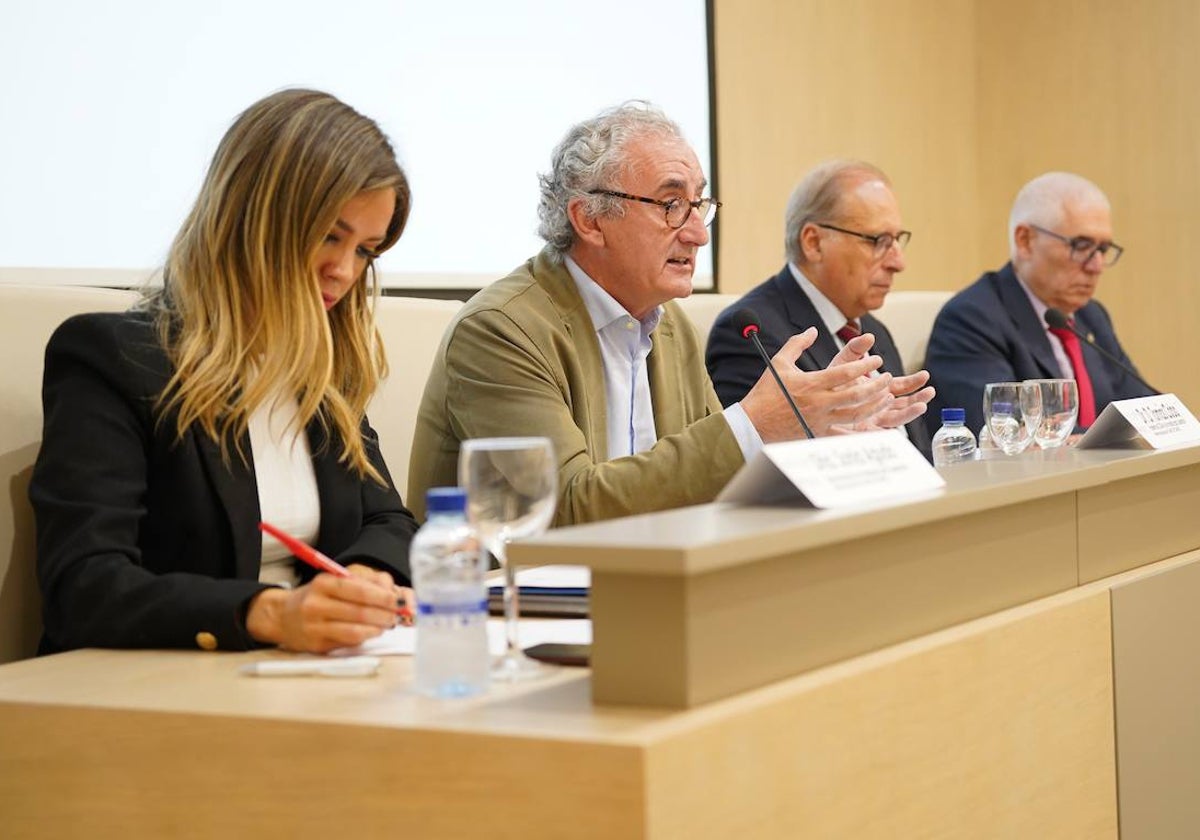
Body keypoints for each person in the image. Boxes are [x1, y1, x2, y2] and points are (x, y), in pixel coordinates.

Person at [407, 103, 929, 525]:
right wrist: (754, 423)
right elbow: (565, 510)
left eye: (700, 205)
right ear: (589, 219)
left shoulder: (670, 325)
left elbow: (712, 485)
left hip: (649, 585)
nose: (698, 232)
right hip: (515, 610)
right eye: (670, 205)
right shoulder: (502, 330)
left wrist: (833, 438)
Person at [31, 89, 419, 655]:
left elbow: (390, 520)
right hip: (161, 693)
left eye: (366, 250)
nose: (343, 271)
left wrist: (366, 574)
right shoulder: (113, 359)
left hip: (311, 681)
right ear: (256, 220)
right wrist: (268, 613)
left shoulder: (318, 370)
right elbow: (84, 588)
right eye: (330, 236)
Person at [705, 160, 934, 454]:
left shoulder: (875, 332)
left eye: (897, 240)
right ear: (814, 243)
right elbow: (767, 469)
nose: (898, 263)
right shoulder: (753, 334)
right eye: (879, 241)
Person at [924, 172, 1153, 436]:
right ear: (1025, 240)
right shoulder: (971, 319)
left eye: (1102, 249)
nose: (1097, 266)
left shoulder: (1091, 315)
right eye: (1081, 245)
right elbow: (1004, 435)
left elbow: (1140, 407)